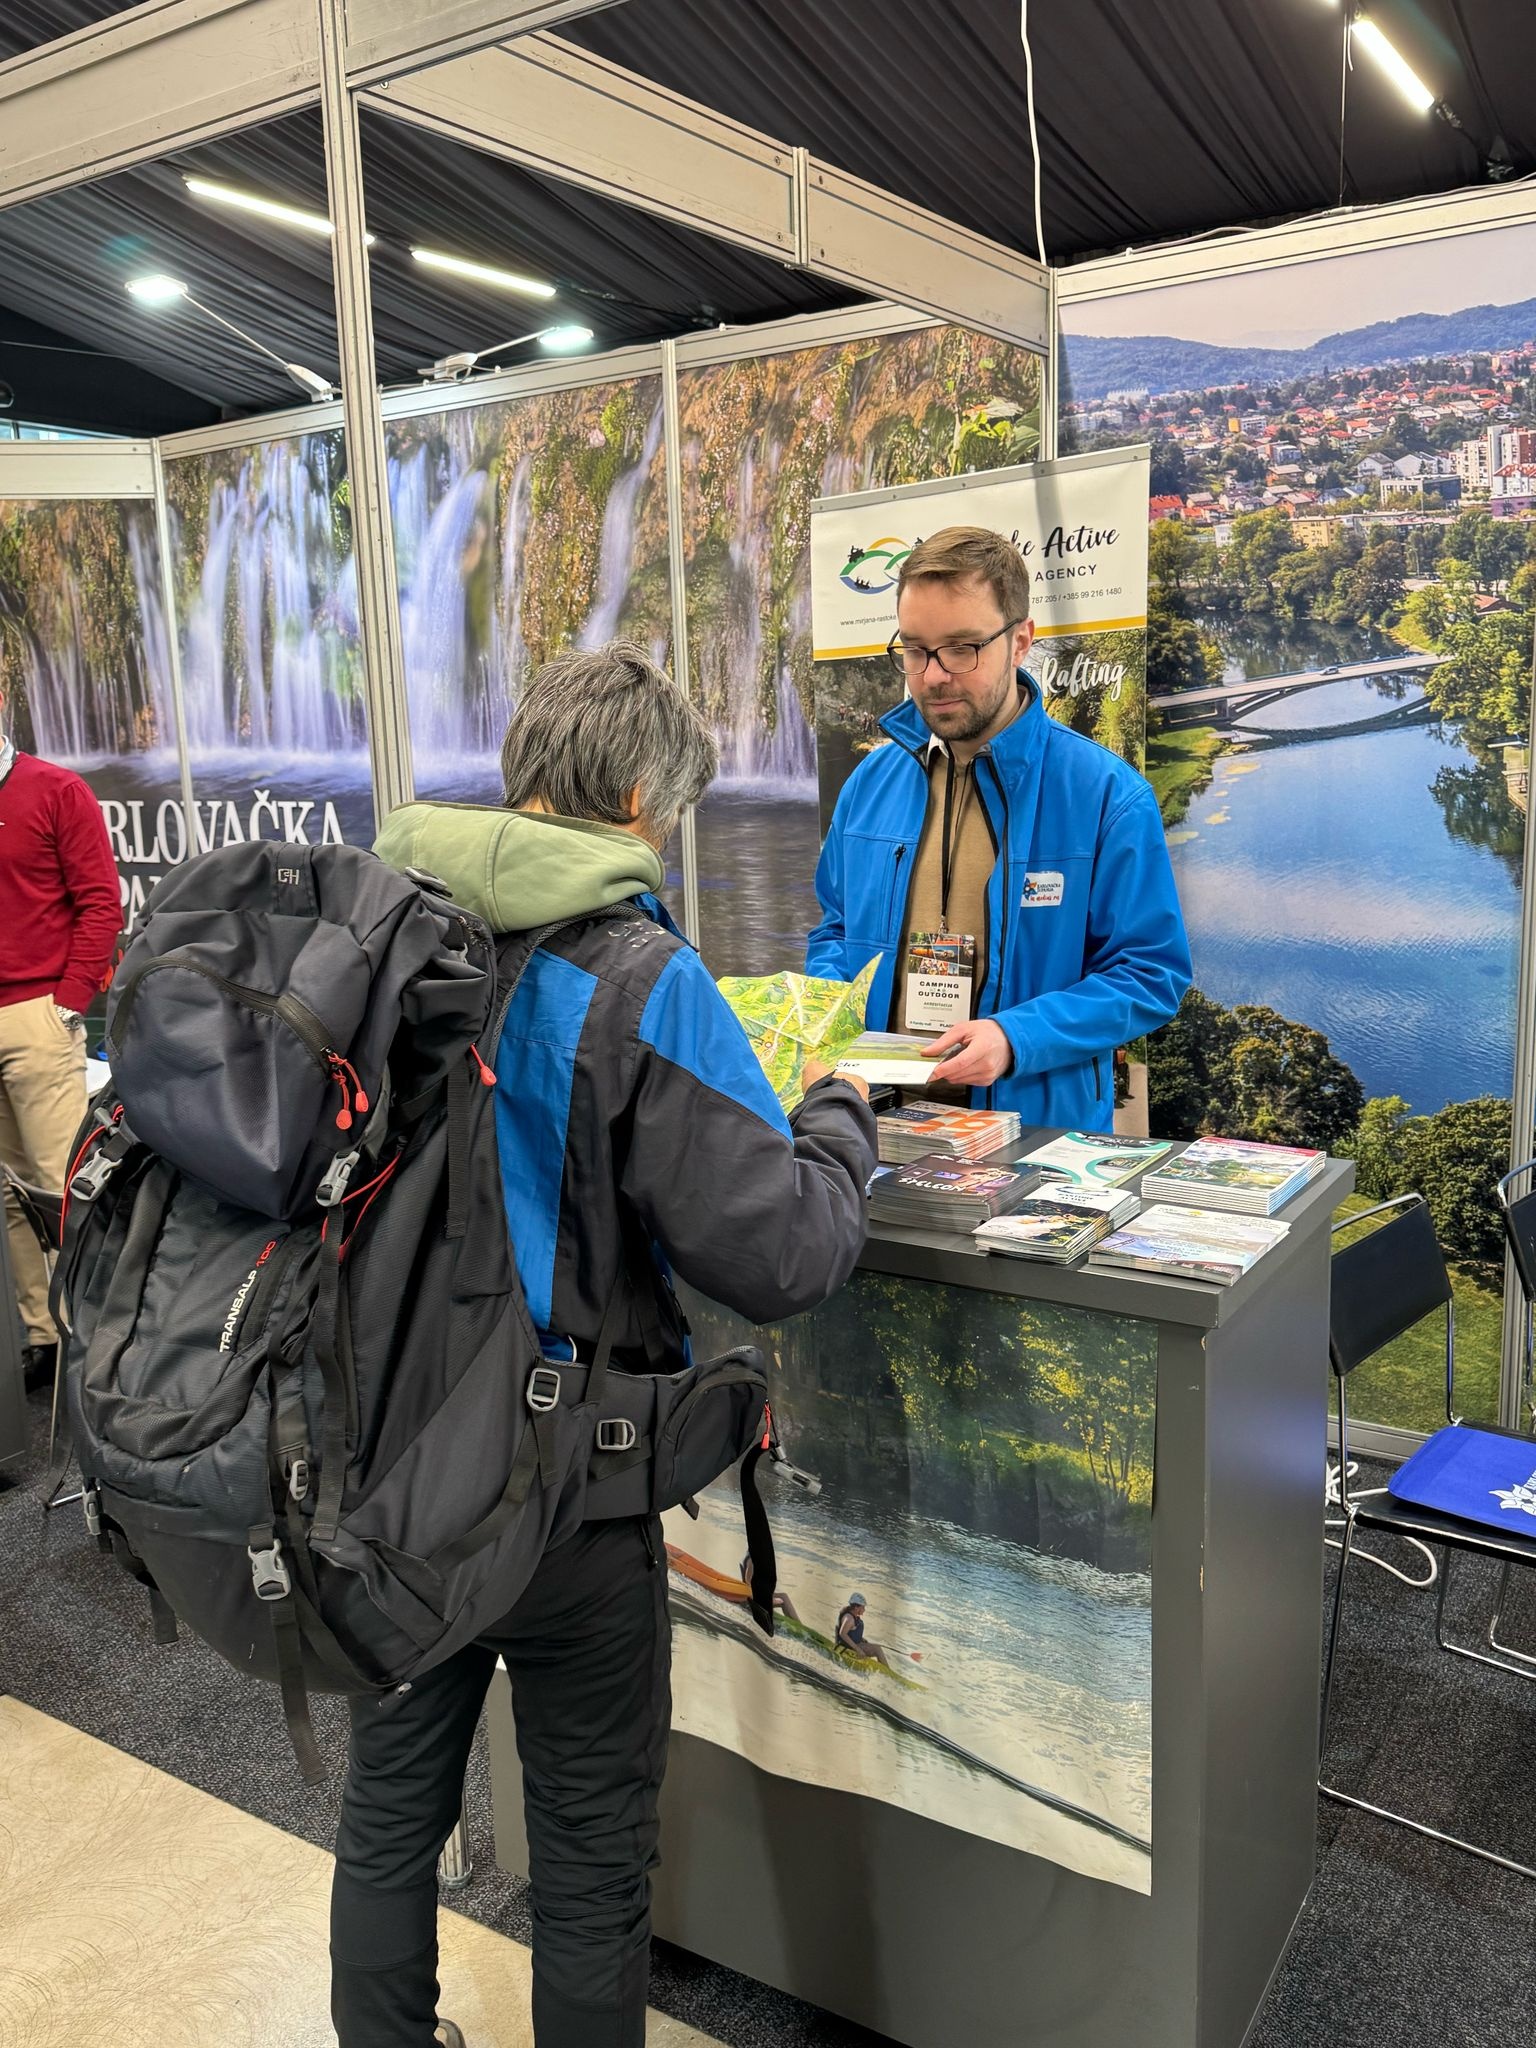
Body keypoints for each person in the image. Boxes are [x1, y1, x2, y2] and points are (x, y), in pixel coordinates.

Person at [338, 643, 877, 2048]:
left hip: (381, 1458)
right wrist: (835, 1114)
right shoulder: (643, 973)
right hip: (563, 1483)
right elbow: (780, 1253)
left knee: (389, 1807)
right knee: (587, 1856)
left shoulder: (382, 926)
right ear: (643, 800)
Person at [806, 525, 1191, 1131]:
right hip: (871, 1127)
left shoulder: (1106, 796)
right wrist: (832, 1022)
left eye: (961, 648)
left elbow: (1149, 973)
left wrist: (1017, 1037)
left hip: (1033, 1134)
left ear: (1020, 642)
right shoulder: (868, 785)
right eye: (915, 650)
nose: (934, 675)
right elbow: (833, 930)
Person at [0, 688, 120, 1390]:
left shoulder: (56, 791)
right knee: (9, 1193)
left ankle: (86, 1338)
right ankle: (42, 1336)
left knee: (59, 1187)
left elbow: (101, 902)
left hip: (36, 1016)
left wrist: (69, 1003)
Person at [835, 1592, 889, 1670]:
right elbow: (842, 1634)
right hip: (848, 1647)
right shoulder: (849, 1619)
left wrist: (861, 1639)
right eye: (863, 1607)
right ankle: (887, 1672)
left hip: (855, 1644)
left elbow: (851, 1633)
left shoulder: (853, 1616)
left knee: (876, 1647)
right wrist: (858, 1649)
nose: (864, 1610)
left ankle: (883, 1669)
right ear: (856, 1607)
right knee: (877, 1649)